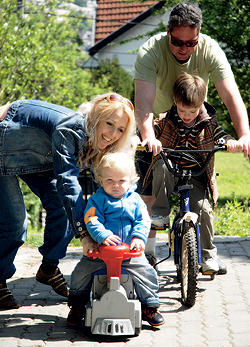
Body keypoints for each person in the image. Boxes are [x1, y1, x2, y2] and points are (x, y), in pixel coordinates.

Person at [134, 2, 250, 268]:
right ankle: (147, 251)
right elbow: (143, 102)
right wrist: (149, 136)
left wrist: (244, 137)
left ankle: (205, 252)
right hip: (159, 127)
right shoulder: (150, 51)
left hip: (197, 130)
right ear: (167, 33)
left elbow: (231, 97)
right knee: (150, 190)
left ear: (199, 35)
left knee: (201, 201)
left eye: (190, 43)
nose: (183, 49)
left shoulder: (210, 49)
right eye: (177, 42)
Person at [0, 93, 136, 310]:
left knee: (63, 211)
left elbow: (109, 186)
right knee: (15, 223)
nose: (113, 134)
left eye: (120, 129)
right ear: (96, 118)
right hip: (4, 143)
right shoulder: (70, 130)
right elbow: (69, 185)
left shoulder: (98, 144)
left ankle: (48, 269)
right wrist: (84, 234)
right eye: (109, 124)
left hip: (34, 159)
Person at [142, 73, 239, 273]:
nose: (186, 115)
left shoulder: (209, 123)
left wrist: (229, 142)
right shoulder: (167, 119)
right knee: (161, 164)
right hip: (171, 170)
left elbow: (221, 135)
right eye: (182, 109)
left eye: (192, 111)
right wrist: (146, 138)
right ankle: (160, 212)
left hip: (197, 174)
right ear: (175, 102)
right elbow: (152, 130)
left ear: (202, 103)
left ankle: (208, 256)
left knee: (203, 211)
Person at [66, 152, 165, 328]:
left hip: (130, 252)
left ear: (132, 180)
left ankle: (150, 305)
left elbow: (143, 220)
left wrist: (138, 238)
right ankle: (77, 304)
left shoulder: (135, 201)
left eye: (121, 181)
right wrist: (102, 235)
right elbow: (92, 219)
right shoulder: (98, 199)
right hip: (100, 251)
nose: (115, 185)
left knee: (146, 272)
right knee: (81, 272)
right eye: (109, 180)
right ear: (100, 179)